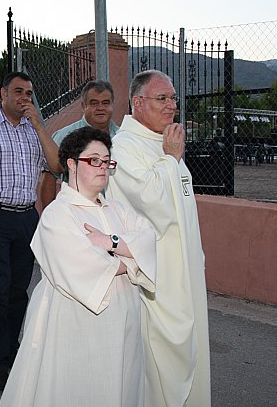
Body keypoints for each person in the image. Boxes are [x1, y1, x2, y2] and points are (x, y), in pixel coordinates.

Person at [0, 126, 156, 406]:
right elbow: (84, 267)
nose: (103, 167)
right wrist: (131, 259)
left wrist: (110, 241)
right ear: (71, 164)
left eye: (107, 161)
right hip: (76, 323)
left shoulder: (118, 209)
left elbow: (150, 240)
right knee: (78, 389)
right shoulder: (58, 215)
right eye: (94, 160)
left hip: (124, 323)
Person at [106, 69, 211, 407]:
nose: (172, 106)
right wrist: (170, 159)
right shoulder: (124, 147)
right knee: (157, 361)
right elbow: (150, 205)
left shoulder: (162, 143)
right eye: (162, 98)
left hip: (183, 270)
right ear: (138, 103)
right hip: (157, 275)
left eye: (173, 98)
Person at [0, 71, 63, 391]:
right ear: (3, 93)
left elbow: (56, 167)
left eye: (29, 93)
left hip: (25, 217)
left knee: (18, 291)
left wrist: (40, 127)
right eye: (18, 91)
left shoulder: (34, 130)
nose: (24, 98)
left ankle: (12, 350)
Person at [39, 80, 119, 209]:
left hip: (116, 213)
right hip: (77, 213)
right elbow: (50, 178)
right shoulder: (63, 136)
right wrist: (49, 213)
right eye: (94, 103)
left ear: (112, 105)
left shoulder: (123, 137)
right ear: (83, 106)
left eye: (105, 103)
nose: (100, 108)